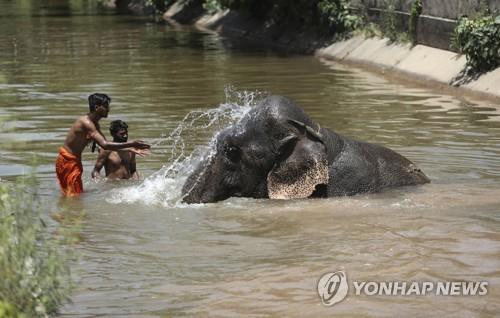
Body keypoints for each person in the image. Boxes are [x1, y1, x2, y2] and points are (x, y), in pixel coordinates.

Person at [55, 93, 150, 196]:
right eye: (105, 106)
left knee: (75, 195)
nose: (108, 109)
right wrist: (131, 144)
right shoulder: (87, 123)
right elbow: (105, 145)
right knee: (72, 197)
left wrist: (130, 149)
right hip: (67, 161)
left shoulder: (94, 124)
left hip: (74, 161)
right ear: (97, 107)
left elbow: (108, 146)